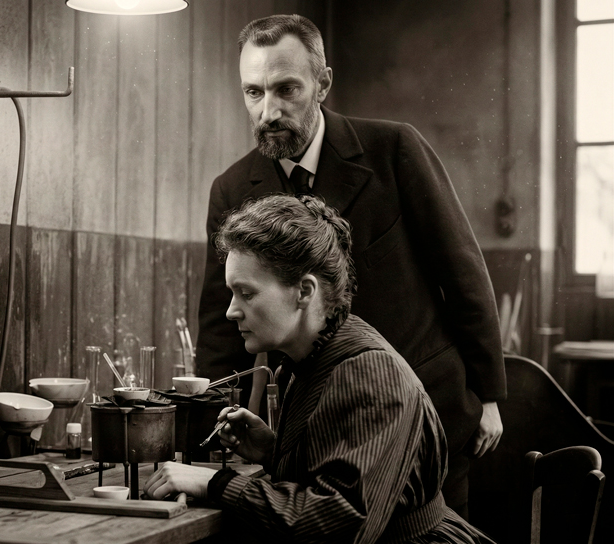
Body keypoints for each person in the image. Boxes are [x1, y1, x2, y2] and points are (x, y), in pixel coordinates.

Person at [195, 14, 505, 518]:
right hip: (317, 426)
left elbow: (462, 271)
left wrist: (489, 395)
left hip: (430, 409)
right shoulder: (232, 189)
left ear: (323, 84)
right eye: (253, 92)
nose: (268, 111)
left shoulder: (394, 149)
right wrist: (206, 429)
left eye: (286, 89)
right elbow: (218, 320)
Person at [147, 194, 495, 543]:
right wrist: (272, 451)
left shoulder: (368, 374)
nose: (231, 311)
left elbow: (341, 527)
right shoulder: (310, 359)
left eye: (246, 293)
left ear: (304, 291)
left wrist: (214, 483)